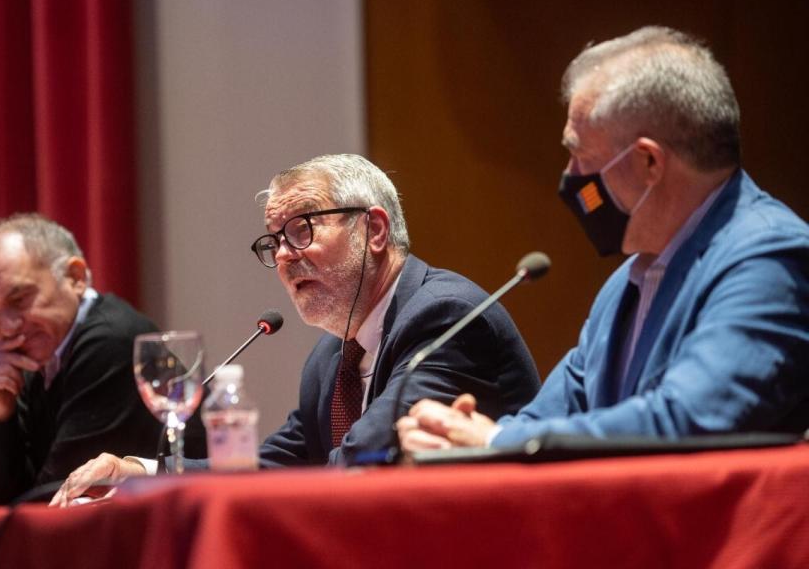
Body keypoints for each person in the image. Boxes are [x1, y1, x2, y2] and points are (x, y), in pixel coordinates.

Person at [398, 26, 809, 452]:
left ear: (649, 161)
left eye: (581, 155)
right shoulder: (627, 281)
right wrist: (461, 441)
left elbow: (691, 418)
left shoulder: (767, 258)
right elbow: (548, 418)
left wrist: (497, 439)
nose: (572, 177)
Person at [50, 154, 541, 505]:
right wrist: (141, 472)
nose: (283, 255)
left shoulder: (446, 316)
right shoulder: (331, 358)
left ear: (373, 230)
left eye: (302, 229)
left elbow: (365, 461)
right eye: (274, 240)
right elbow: (272, 469)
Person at [0, 213, 190, 504]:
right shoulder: (37, 352)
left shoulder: (111, 341)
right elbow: (0, 502)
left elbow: (50, 498)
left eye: (19, 299)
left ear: (75, 277)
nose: (7, 326)